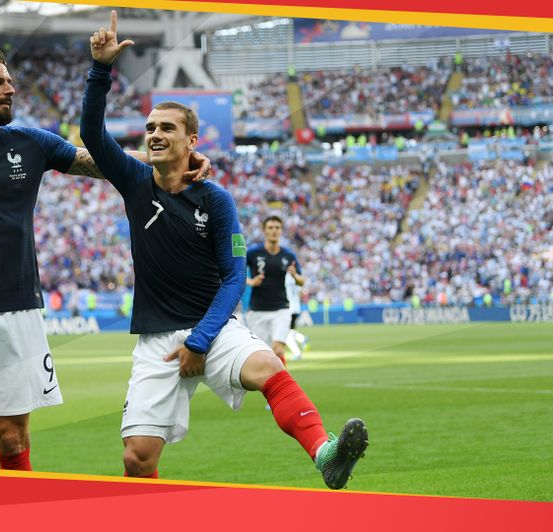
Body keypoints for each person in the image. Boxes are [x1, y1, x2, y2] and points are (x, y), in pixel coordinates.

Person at [0, 45, 210, 471]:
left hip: (20, 311)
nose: (11, 89)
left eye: (9, 80)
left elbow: (95, 161)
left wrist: (170, 159)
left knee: (12, 437)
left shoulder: (30, 143)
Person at [80, 11, 367, 489]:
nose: (154, 134)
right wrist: (100, 69)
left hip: (212, 330)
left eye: (166, 128)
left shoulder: (216, 200)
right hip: (157, 340)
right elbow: (92, 134)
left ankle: (325, 453)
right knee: (137, 459)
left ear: (191, 140)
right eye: (150, 127)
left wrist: (199, 341)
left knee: (267, 365)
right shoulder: (132, 181)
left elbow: (234, 278)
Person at [245, 216, 305, 365]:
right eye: (270, 227)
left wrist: (294, 275)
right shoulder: (253, 253)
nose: (274, 231)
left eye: (277, 228)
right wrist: (252, 281)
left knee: (278, 350)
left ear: (281, 231)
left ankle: (282, 386)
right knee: (263, 356)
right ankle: (270, 386)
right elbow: (235, 272)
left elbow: (302, 280)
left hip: (281, 309)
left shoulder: (288, 255)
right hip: (258, 311)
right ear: (264, 231)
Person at [284, 270, 308, 360]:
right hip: (296, 307)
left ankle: (297, 353)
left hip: (288, 307)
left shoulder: (284, 277)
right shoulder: (295, 277)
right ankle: (301, 338)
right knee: (290, 330)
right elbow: (302, 292)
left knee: (286, 333)